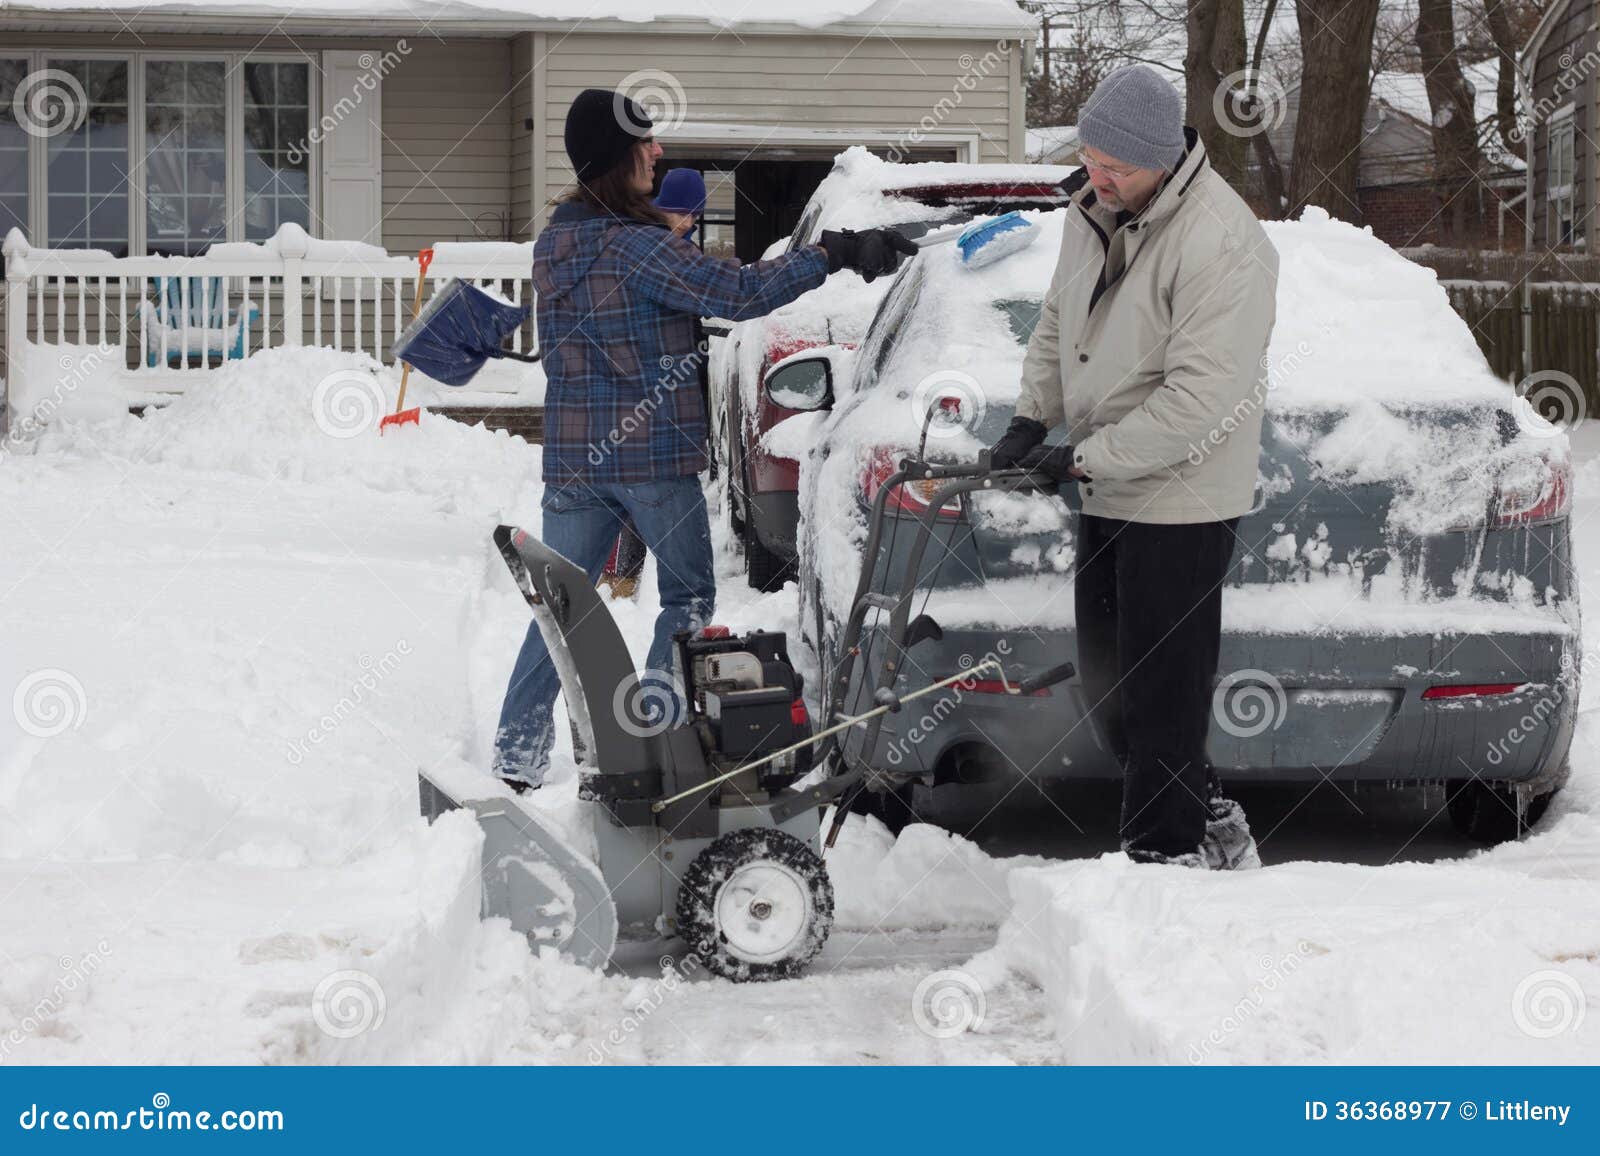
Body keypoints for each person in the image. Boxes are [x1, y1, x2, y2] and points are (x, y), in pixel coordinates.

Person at [495, 89, 916, 790]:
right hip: (652, 459)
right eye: (645, 143)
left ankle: (513, 763)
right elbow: (742, 293)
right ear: (612, 159)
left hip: (574, 462)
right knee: (686, 599)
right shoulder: (637, 248)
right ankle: (650, 744)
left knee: (562, 612)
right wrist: (833, 253)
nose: (659, 152)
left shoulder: (557, 242)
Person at [990, 64, 1278, 869]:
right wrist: (1026, 417)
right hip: (1110, 487)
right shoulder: (1095, 211)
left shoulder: (1223, 242)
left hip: (1183, 500)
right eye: (1088, 158)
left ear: (1163, 158)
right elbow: (1057, 324)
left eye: (1114, 166)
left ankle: (1164, 861)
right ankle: (1210, 817)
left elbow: (1201, 400)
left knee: (1163, 695)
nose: (1097, 176)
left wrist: (1081, 460)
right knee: (1110, 681)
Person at [600, 168, 708, 601]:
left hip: (656, 384)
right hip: (645, 386)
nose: (690, 224)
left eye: (692, 218)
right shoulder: (659, 248)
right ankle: (620, 579)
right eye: (687, 215)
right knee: (639, 486)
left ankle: (623, 578)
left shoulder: (661, 242)